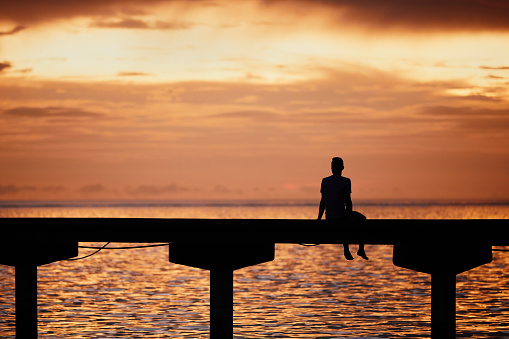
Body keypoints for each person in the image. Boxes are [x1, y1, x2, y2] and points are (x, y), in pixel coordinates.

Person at [318, 157, 368, 260]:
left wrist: (319, 218)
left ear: (331, 168)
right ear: (343, 168)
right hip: (342, 217)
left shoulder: (325, 181)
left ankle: (346, 250)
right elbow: (348, 201)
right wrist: (350, 217)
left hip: (329, 218)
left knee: (343, 221)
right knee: (362, 219)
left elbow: (323, 201)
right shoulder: (346, 181)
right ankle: (361, 249)